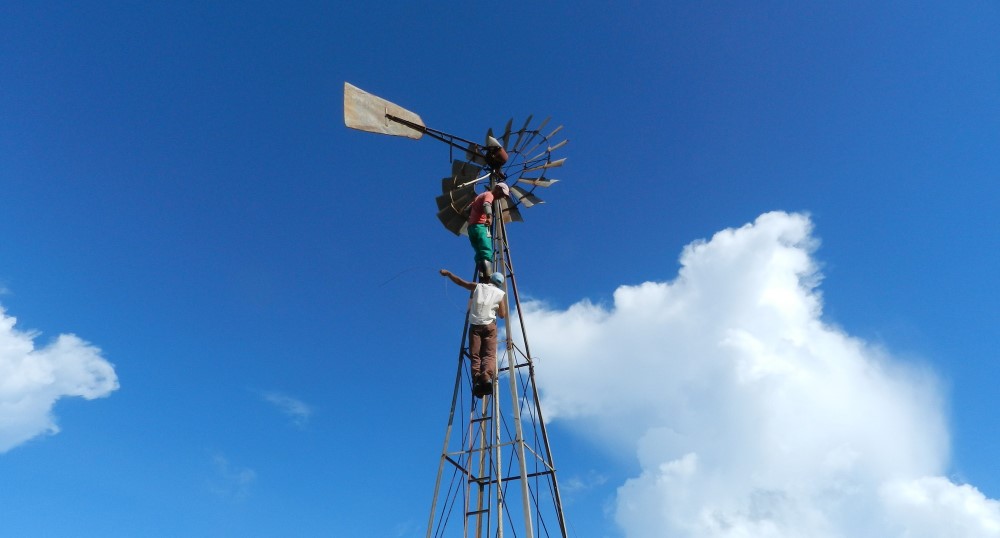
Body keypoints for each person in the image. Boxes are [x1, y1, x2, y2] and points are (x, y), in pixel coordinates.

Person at [439, 268, 508, 397]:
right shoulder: (500, 293)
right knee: (489, 355)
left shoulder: (478, 286)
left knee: (475, 355)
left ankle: (477, 378)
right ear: (499, 283)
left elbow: (460, 282)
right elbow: (502, 315)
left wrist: (448, 274)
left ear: (489, 279)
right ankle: (486, 377)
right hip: (490, 326)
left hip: (475, 326)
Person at [467, 182, 510, 281]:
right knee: (486, 251)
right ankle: (489, 277)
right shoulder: (489, 195)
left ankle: (482, 276)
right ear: (497, 188)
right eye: (502, 194)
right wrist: (489, 217)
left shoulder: (479, 196)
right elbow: (487, 204)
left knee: (479, 254)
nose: (501, 197)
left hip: (471, 228)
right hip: (481, 227)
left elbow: (468, 209)